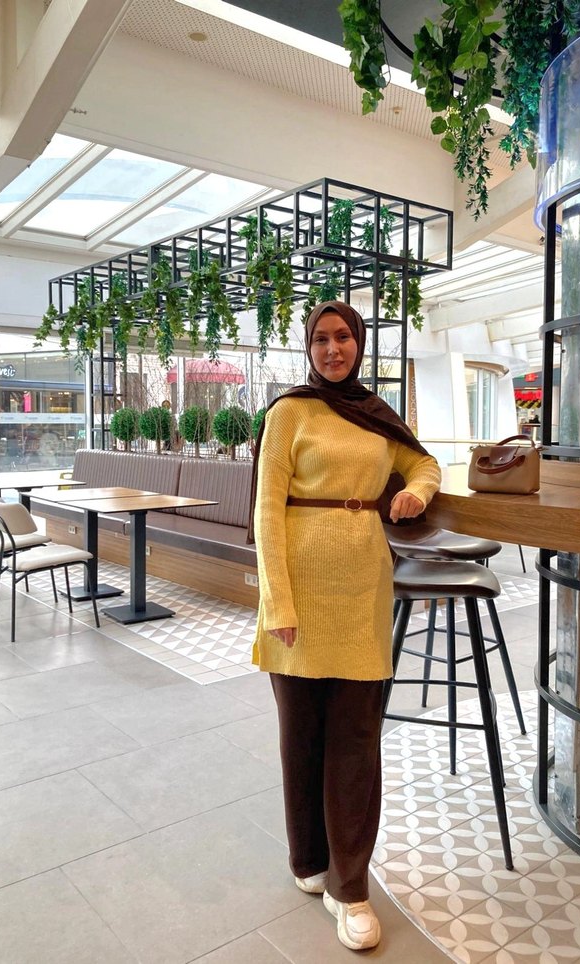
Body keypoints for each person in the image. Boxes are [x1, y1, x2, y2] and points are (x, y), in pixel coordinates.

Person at [249, 301, 441, 952]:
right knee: (300, 736)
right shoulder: (288, 412)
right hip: (298, 591)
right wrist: (277, 602)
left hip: (362, 589)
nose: (332, 349)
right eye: (321, 339)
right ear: (308, 348)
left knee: (356, 740)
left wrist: (416, 492)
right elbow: (266, 511)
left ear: (359, 343)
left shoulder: (375, 413)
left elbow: (424, 464)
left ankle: (350, 886)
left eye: (343, 338)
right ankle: (308, 858)